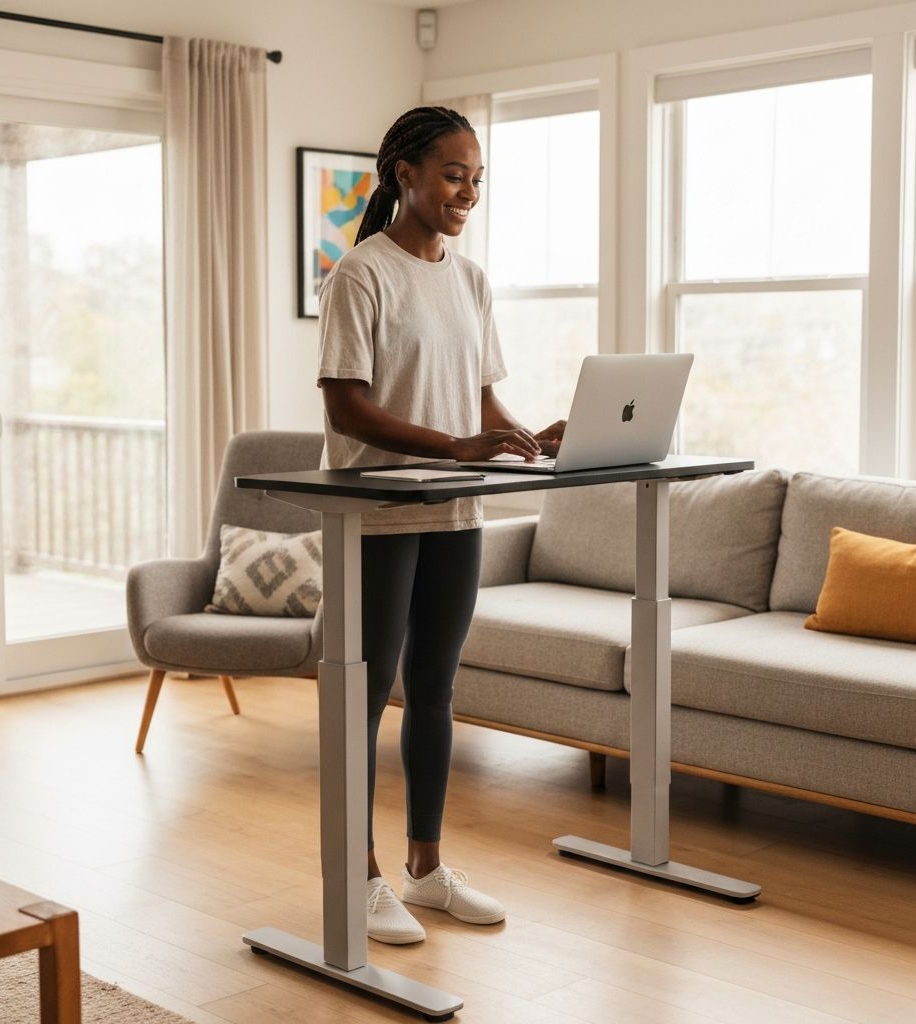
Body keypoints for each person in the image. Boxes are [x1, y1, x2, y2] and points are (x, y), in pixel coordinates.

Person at [316, 106, 565, 945]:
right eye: (454, 174)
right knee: (366, 691)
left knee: (436, 687)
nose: (467, 192)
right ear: (406, 175)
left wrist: (520, 438)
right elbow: (349, 410)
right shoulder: (362, 274)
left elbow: (481, 396)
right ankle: (357, 875)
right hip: (379, 513)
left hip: (457, 509)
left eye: (477, 178)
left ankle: (424, 867)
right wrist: (457, 442)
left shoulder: (471, 278)